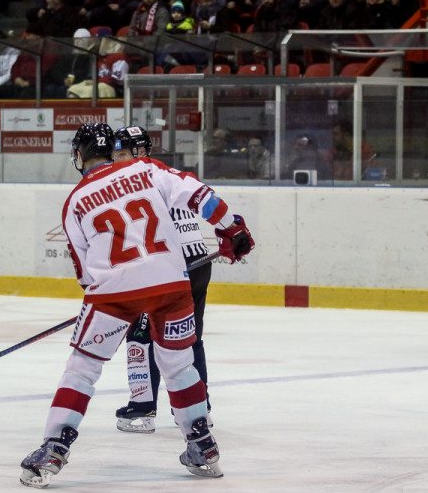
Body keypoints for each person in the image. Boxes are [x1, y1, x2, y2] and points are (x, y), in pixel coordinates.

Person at [19, 123, 254, 488]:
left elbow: (84, 275)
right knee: (179, 365)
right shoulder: (147, 169)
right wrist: (231, 230)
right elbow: (202, 197)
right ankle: (203, 447)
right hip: (173, 285)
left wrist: (112, 306)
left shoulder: (76, 201)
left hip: (113, 293)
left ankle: (53, 449)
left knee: (82, 369)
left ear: (79, 156)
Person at [109, 126, 253, 435]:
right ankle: (200, 409)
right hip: (198, 265)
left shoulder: (130, 185)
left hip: (169, 270)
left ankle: (141, 410)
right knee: (189, 339)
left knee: (141, 335)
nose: (115, 160)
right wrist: (232, 228)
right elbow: (207, 200)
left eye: (121, 154)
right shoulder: (169, 175)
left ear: (139, 153)